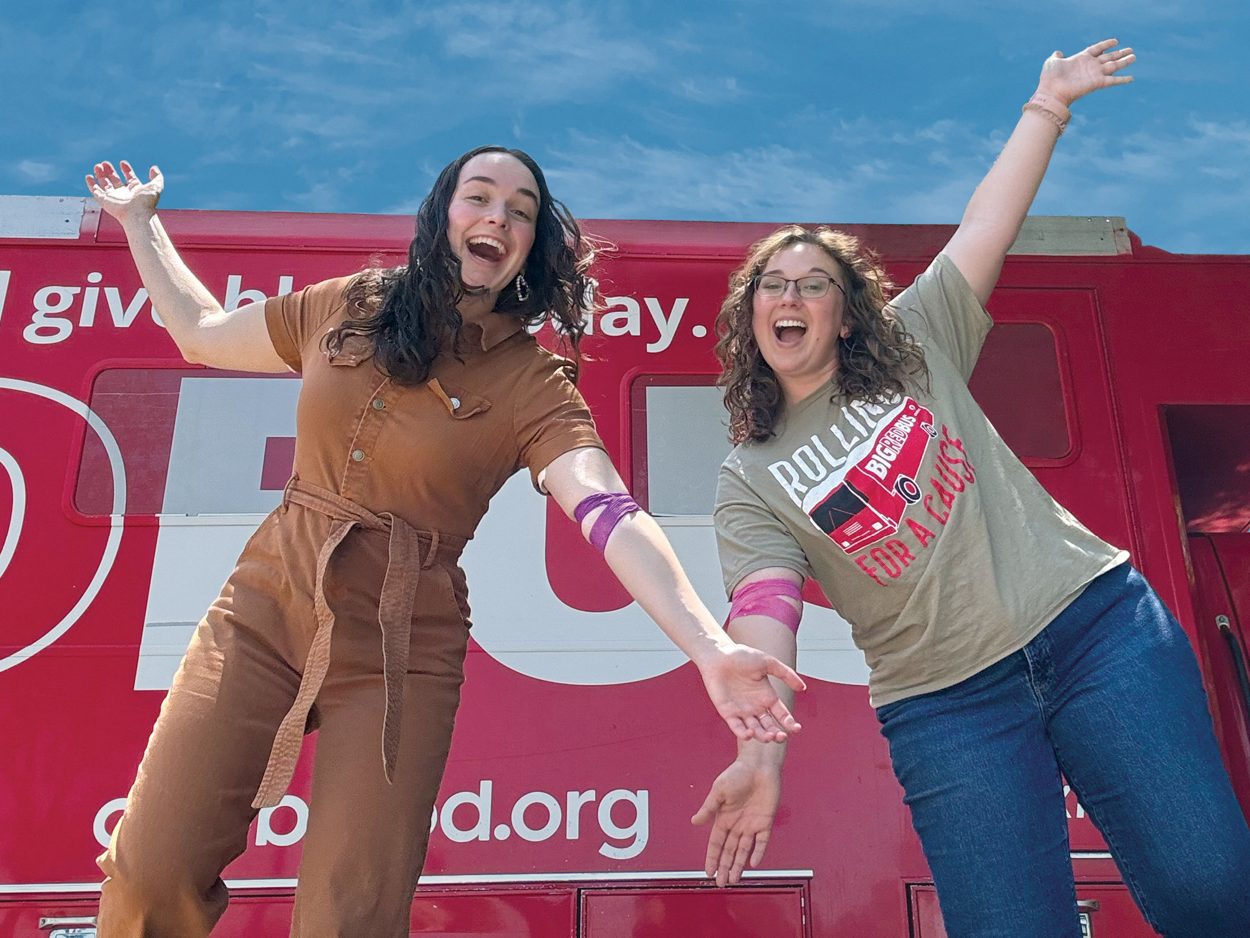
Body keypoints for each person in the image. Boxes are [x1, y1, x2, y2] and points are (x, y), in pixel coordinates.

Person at [84, 145, 805, 937]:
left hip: (407, 642)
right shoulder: (348, 304)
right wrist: (140, 225)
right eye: (481, 197)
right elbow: (202, 332)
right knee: (150, 867)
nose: (498, 216)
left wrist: (710, 648)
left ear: (532, 245)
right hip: (268, 599)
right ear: (443, 215)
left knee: (352, 914)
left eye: (521, 210)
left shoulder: (532, 385)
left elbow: (608, 508)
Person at [692, 39, 1250, 937]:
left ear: (845, 311)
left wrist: (1049, 105)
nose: (789, 295)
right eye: (773, 283)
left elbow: (985, 224)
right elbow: (766, 618)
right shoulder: (747, 476)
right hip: (947, 706)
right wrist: (760, 756)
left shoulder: (917, 345)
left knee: (1211, 891)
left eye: (815, 283)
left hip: (1094, 630)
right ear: (751, 311)